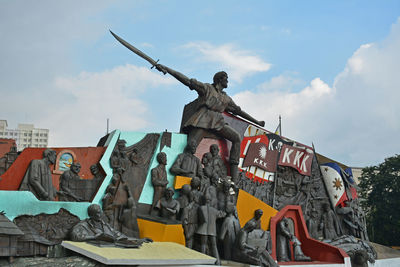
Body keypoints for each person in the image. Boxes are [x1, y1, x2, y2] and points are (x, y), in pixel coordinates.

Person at [155, 64, 265, 181]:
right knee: (190, 146)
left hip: (218, 123)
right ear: (219, 80)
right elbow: (187, 81)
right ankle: (182, 176)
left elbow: (239, 111)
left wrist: (256, 122)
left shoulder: (226, 98)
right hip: (203, 120)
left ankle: (234, 179)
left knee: (236, 138)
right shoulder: (207, 88)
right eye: (226, 78)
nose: (227, 81)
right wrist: (167, 69)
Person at [71, 204, 151, 247]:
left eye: (100, 212)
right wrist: (94, 237)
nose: (100, 215)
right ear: (91, 215)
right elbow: (75, 236)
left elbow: (119, 235)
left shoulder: (105, 224)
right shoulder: (83, 225)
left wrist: (139, 240)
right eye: (97, 213)